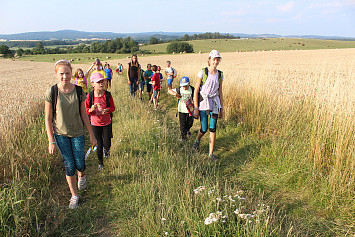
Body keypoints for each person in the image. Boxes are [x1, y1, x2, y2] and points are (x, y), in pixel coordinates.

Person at [45, 60, 97, 209]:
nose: (65, 76)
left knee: (80, 163)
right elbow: (48, 118)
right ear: (56, 74)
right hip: (60, 135)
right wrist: (51, 141)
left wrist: (91, 135)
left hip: (77, 133)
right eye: (61, 73)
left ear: (71, 73)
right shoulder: (52, 92)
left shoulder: (79, 91)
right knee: (69, 164)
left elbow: (84, 114)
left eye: (67, 73)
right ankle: (74, 195)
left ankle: (82, 174)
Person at [192, 50, 224, 161]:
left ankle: (211, 154)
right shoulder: (203, 73)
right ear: (209, 60)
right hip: (203, 103)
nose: (216, 61)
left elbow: (220, 92)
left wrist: (221, 108)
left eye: (217, 59)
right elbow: (196, 91)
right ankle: (197, 140)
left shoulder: (220, 74)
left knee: (213, 128)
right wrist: (196, 108)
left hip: (215, 102)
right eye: (214, 59)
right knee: (204, 128)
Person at [85, 73, 115, 171]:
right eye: (98, 82)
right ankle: (100, 163)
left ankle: (107, 152)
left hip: (107, 123)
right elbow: (85, 110)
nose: (101, 83)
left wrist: (107, 110)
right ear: (93, 84)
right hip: (95, 124)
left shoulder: (107, 95)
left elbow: (113, 107)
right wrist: (91, 109)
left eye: (102, 81)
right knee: (99, 144)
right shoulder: (90, 96)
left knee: (107, 143)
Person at [168, 77, 195, 141]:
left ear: (189, 84)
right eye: (183, 86)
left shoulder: (192, 89)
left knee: (190, 123)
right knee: (182, 124)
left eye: (185, 86)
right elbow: (169, 91)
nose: (184, 87)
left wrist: (194, 101)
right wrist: (175, 94)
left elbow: (196, 96)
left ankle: (187, 130)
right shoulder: (179, 89)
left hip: (190, 110)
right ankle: (183, 138)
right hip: (181, 110)